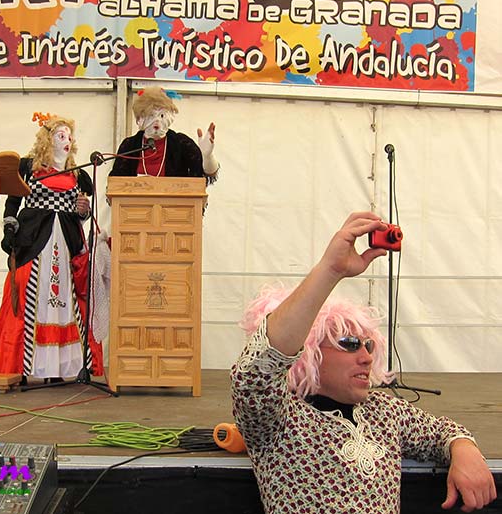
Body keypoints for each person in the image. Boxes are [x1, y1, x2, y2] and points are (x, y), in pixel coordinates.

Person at [231, 212, 496, 514]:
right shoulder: (280, 420)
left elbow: (441, 432)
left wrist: (463, 448)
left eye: (369, 345)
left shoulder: (385, 412)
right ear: (309, 352)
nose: (367, 356)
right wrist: (331, 270)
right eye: (349, 343)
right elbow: (256, 372)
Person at [0, 112, 103, 381]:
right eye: (60, 135)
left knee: (65, 299)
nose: (67, 141)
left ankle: (61, 368)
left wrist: (83, 211)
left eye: (69, 137)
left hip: (66, 244)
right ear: (47, 139)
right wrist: (9, 228)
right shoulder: (27, 168)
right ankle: (23, 366)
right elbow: (12, 203)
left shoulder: (79, 175)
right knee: (30, 298)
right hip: (33, 241)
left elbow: (82, 213)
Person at [109, 87, 219, 183]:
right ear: (140, 118)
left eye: (161, 115)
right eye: (151, 115)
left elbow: (203, 176)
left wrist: (207, 156)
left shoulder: (181, 143)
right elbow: (115, 184)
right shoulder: (130, 146)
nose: (156, 121)